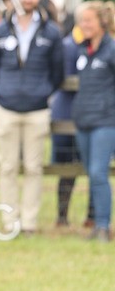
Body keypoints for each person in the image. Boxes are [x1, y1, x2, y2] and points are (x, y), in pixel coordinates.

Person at [0, 0, 64, 234]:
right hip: (6, 109)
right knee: (7, 167)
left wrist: (42, 92)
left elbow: (58, 72)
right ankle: (10, 221)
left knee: (33, 168)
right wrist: (3, 91)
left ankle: (29, 222)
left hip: (37, 110)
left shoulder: (52, 32)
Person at [72, 0, 115, 243]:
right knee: (91, 173)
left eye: (89, 20)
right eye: (81, 21)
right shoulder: (82, 50)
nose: (84, 25)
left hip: (106, 121)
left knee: (99, 173)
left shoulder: (111, 49)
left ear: (102, 21)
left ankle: (103, 226)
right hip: (84, 120)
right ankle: (97, 224)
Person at [51, 21, 94, 230]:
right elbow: (64, 78)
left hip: (92, 114)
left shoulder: (101, 46)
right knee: (67, 166)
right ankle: (62, 216)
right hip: (67, 112)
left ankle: (92, 216)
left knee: (96, 167)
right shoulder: (68, 46)